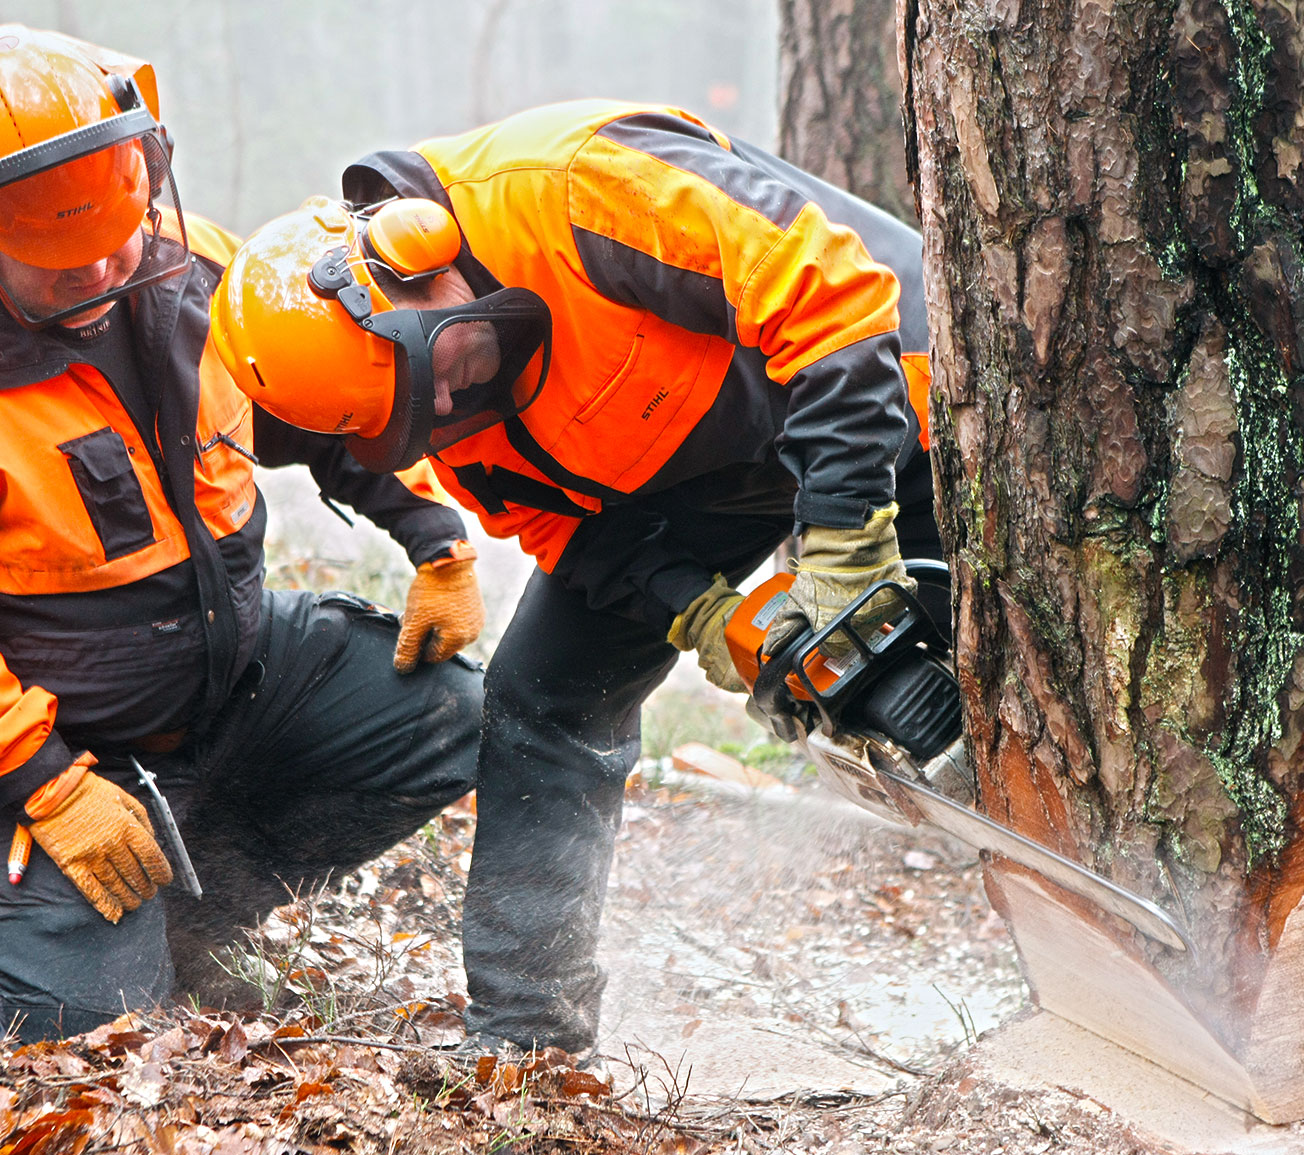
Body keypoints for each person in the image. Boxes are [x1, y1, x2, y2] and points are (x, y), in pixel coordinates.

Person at [207, 100, 942, 1056]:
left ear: (412, 256)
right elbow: (576, 537)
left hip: (883, 387)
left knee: (954, 659)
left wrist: (843, 544)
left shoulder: (577, 187)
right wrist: (708, 613)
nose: (451, 401)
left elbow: (837, 297)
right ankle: (528, 1034)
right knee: (544, 697)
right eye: (418, 415)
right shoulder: (444, 418)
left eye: (439, 368)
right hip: (694, 467)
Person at [0, 25, 485, 1043]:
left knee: (456, 716)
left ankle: (191, 905)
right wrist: (46, 784)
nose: (94, 271)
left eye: (112, 240)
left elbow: (318, 398)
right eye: (55, 260)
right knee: (84, 1017)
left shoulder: (199, 267)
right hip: (55, 736)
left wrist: (434, 535)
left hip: (235, 673)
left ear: (144, 177)